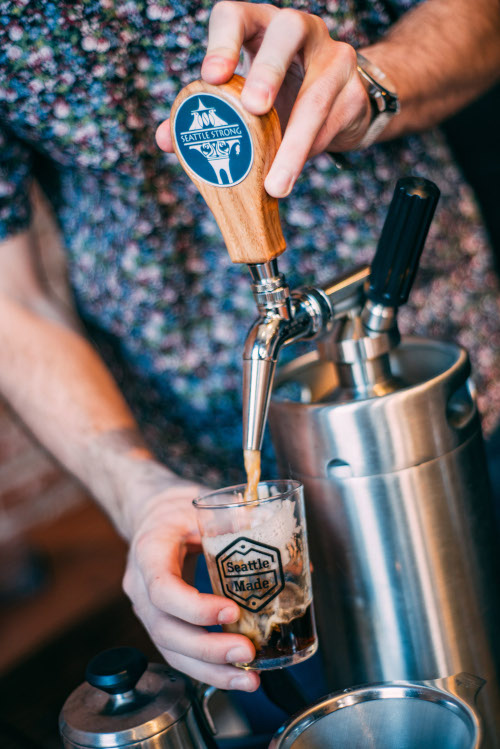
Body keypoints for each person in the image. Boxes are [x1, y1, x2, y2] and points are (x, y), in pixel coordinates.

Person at [0, 0, 499, 696]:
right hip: (190, 472)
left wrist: (377, 84)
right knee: (313, 701)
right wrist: (134, 486)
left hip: (450, 391)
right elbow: (12, 297)